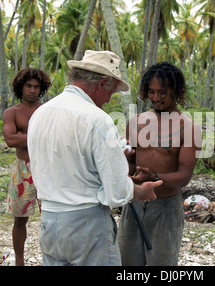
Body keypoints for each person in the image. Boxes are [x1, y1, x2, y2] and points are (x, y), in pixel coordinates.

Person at [26, 50, 160, 266]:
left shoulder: (40, 114)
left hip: (50, 222)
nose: (108, 99)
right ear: (102, 84)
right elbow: (116, 193)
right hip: (86, 226)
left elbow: (64, 169)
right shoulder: (98, 119)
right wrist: (141, 191)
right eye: (112, 92)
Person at [118, 62, 202, 266]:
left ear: (176, 90)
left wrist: (154, 178)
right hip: (134, 204)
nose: (156, 98)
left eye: (162, 92)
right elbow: (130, 165)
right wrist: (123, 157)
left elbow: (184, 176)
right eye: (151, 92)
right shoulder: (135, 122)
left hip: (165, 208)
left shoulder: (189, 128)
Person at [2, 68, 52, 266]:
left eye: (36, 87)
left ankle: (51, 258)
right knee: (20, 219)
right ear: (20, 87)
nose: (32, 90)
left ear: (41, 89)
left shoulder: (47, 110)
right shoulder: (11, 112)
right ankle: (19, 261)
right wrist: (39, 137)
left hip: (47, 167)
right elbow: (10, 139)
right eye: (28, 86)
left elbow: (53, 138)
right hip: (23, 170)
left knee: (51, 216)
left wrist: (24, 137)